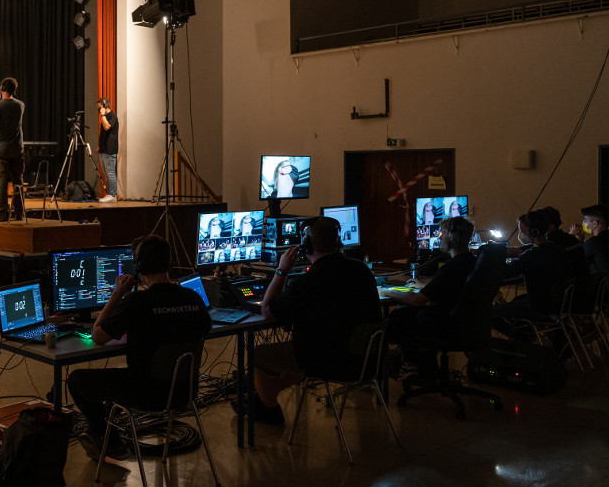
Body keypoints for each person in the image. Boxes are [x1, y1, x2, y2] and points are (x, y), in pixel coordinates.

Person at [66, 235, 212, 459]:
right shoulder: (193, 297)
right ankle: (103, 434)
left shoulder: (136, 302)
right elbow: (204, 328)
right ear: (169, 263)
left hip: (145, 394)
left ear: (139, 267)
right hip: (185, 391)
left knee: (76, 380)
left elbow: (98, 335)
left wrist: (117, 295)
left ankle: (110, 440)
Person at [248, 216, 382, 424]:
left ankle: (269, 410)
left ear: (306, 246)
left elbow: (267, 310)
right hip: (365, 361)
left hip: (325, 361)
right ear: (338, 243)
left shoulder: (307, 283)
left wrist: (282, 270)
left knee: (256, 354)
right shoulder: (362, 271)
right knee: (306, 352)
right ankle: (263, 399)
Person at [386, 216, 478, 378]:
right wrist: (424, 285)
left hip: (444, 326)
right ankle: (423, 365)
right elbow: (448, 287)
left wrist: (388, 292)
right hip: (463, 324)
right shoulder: (471, 262)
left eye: (442, 232)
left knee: (400, 315)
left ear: (452, 237)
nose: (440, 237)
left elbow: (417, 300)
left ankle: (409, 365)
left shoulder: (452, 267)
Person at [492, 210, 573, 334]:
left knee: (491, 313)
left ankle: (526, 342)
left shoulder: (532, 256)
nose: (521, 234)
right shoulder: (559, 250)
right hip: (561, 305)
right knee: (516, 302)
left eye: (522, 231)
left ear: (533, 232)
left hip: (542, 307)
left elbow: (506, 272)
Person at [0, 77, 24, 222]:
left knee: (1, 181)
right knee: (17, 181)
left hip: (2, 148)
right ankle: (19, 213)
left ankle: (1, 213)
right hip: (18, 147)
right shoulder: (20, 105)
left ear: (2, 88)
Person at [571, 204, 609, 276]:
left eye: (585, 220)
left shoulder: (594, 242)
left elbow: (573, 261)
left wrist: (571, 236)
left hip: (602, 284)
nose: (584, 224)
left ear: (595, 224)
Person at [96, 96, 119, 203]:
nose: (99, 110)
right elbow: (105, 134)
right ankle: (110, 194)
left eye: (100, 108)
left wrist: (103, 114)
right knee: (106, 173)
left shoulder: (112, 116)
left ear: (105, 106)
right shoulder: (105, 117)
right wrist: (100, 147)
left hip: (110, 150)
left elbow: (107, 127)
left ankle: (113, 195)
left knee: (110, 173)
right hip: (104, 150)